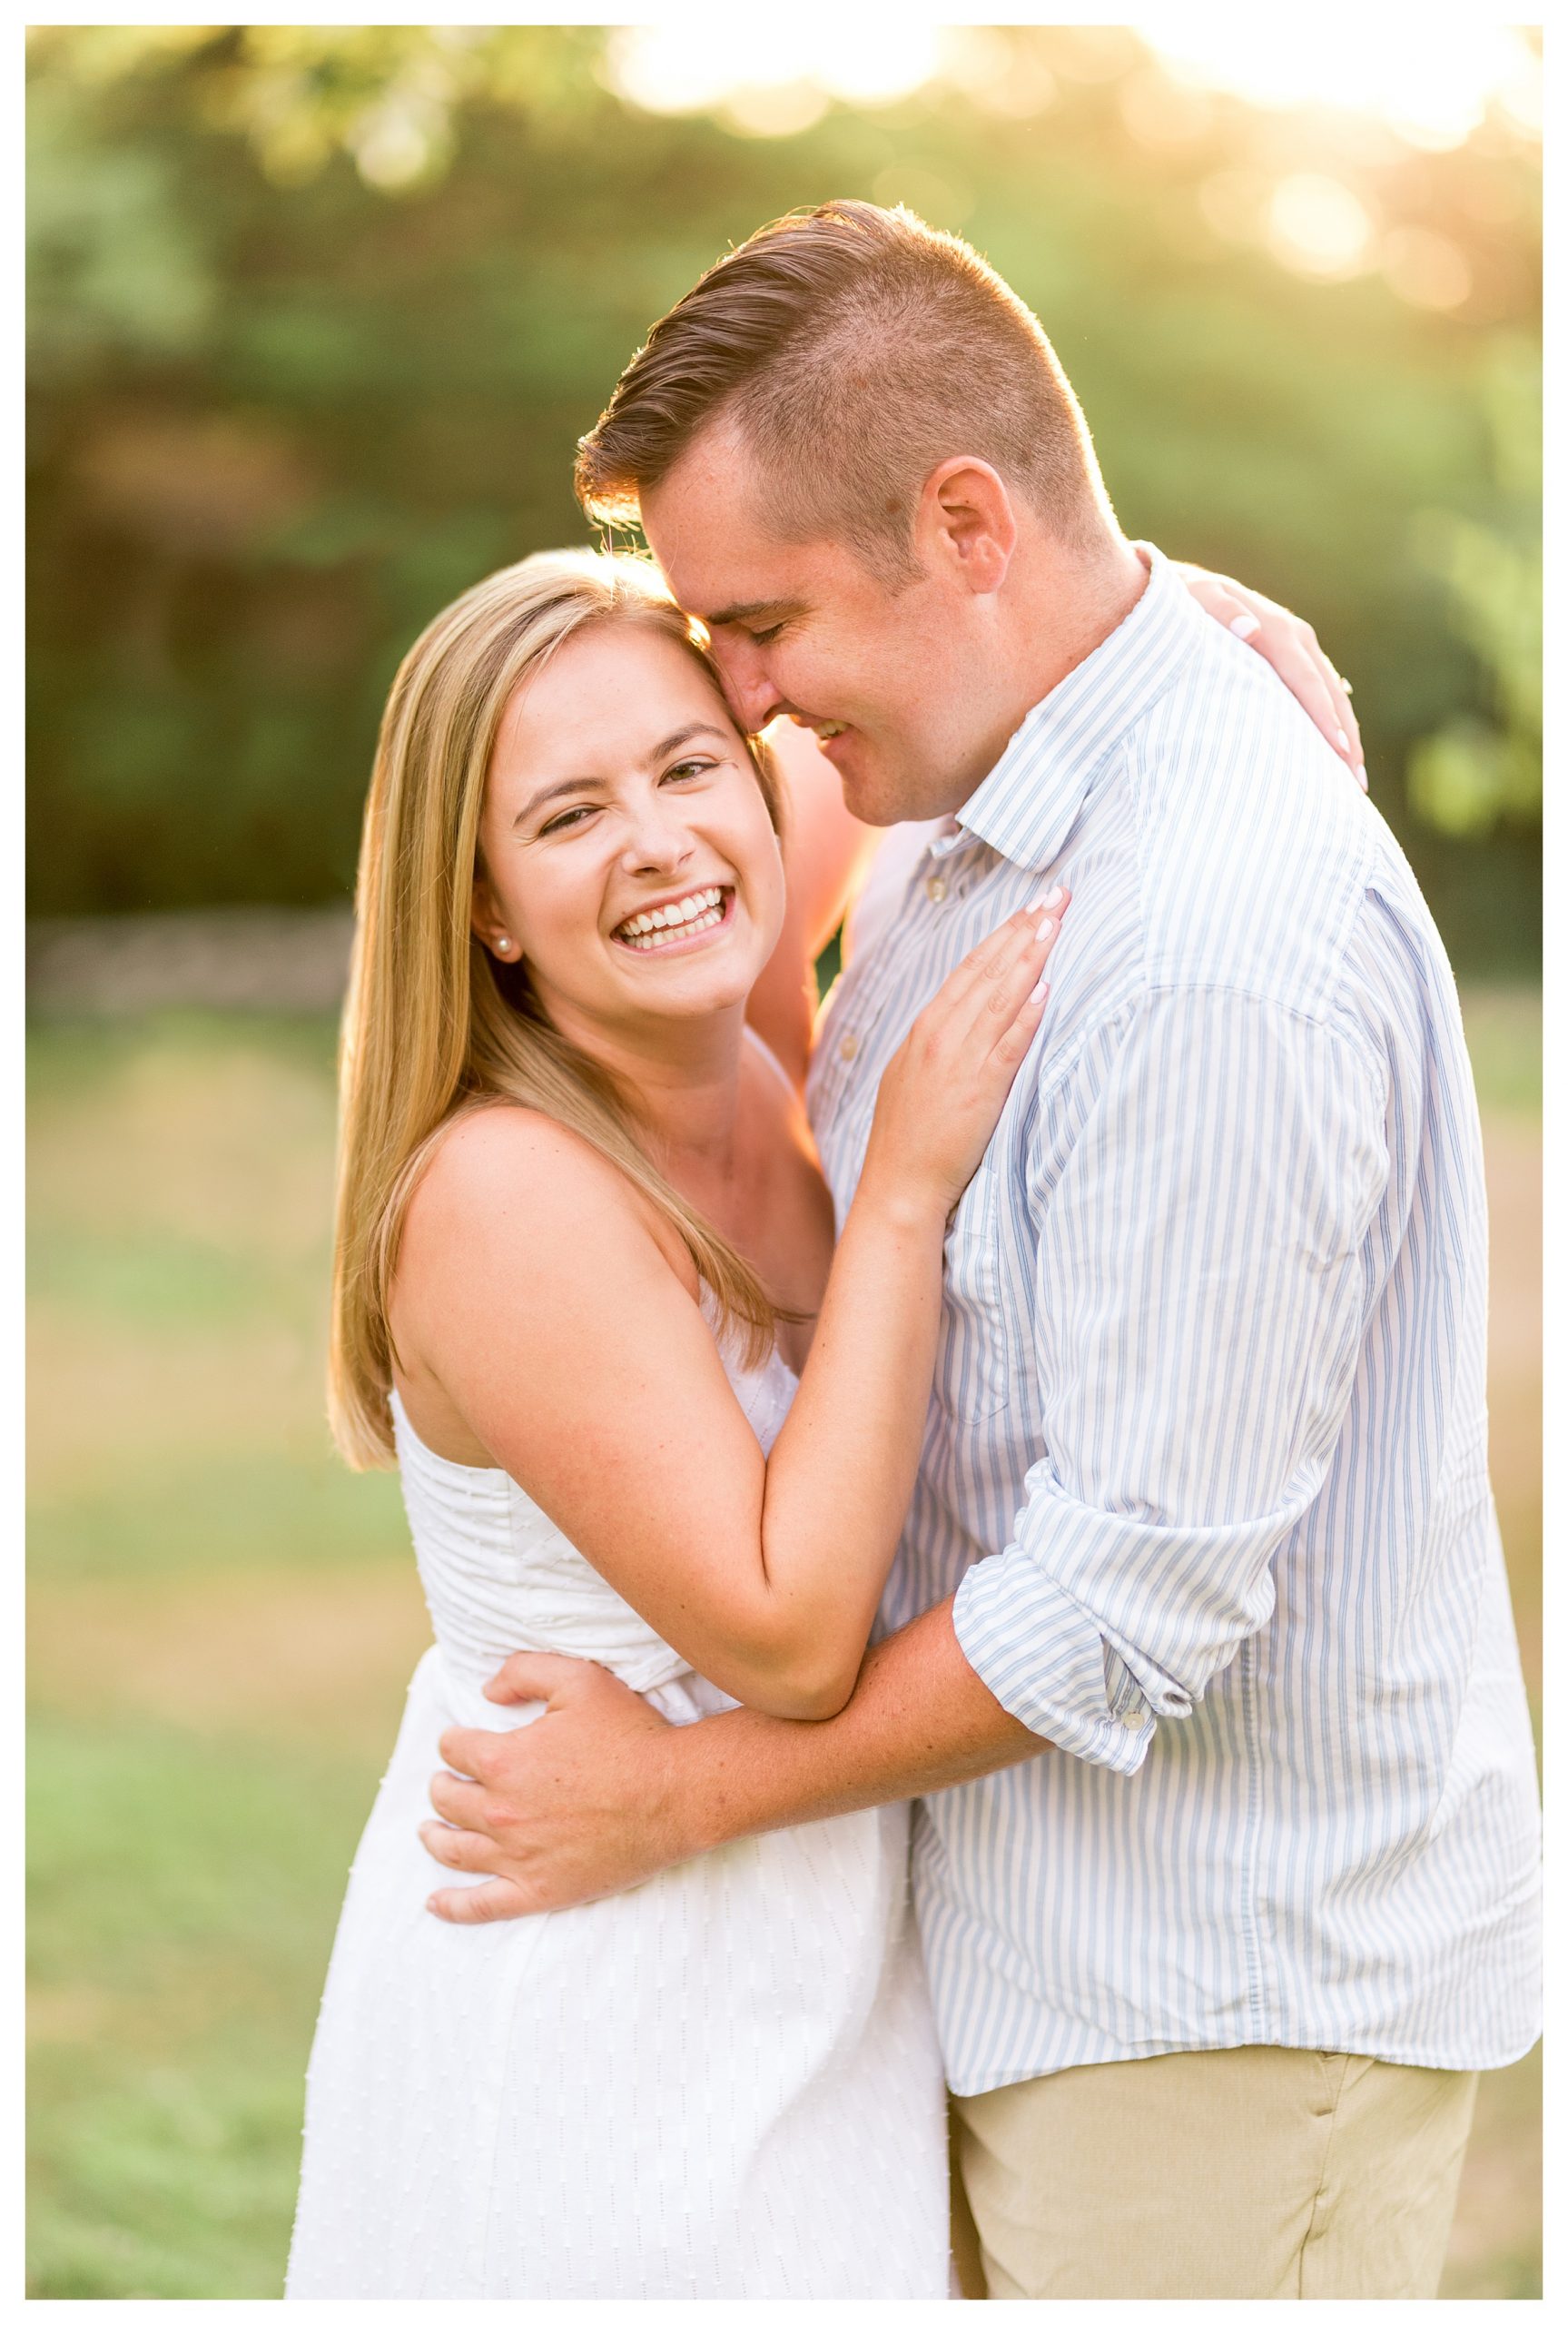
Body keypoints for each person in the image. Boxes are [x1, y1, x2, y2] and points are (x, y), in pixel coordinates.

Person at [419, 203, 1543, 2300]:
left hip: (1218, 2001)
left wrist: (674, 1799)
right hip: (1002, 1972)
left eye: (757, 626)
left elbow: (1132, 1591)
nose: (738, 705)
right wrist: (1180, 607)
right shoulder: (966, 786)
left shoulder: (1205, 941)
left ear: (963, 528)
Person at [286, 543, 1069, 2298]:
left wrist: (1194, 623)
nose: (657, 842)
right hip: (601, 1982)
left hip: (810, 1957)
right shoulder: (505, 1193)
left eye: (685, 766)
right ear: (481, 903)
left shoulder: (743, 1030)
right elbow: (789, 1637)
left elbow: (853, 701)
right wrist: (901, 1197)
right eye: (565, 817)